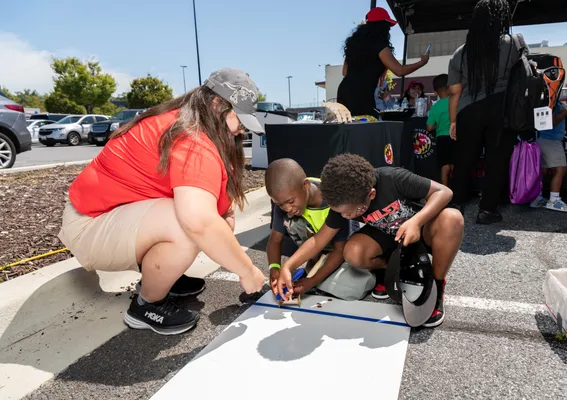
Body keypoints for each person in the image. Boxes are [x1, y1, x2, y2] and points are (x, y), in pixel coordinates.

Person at [57, 68, 266, 336]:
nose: (241, 131)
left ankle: (162, 275)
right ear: (216, 105)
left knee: (206, 227)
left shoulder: (193, 128)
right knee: (187, 225)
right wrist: (247, 271)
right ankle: (146, 305)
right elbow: (199, 222)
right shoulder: (192, 139)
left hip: (113, 217)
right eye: (239, 119)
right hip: (90, 224)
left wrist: (223, 227)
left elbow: (220, 210)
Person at [275, 154, 464, 328]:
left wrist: (416, 221)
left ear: (371, 195)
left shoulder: (393, 178)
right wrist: (288, 266)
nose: (346, 216)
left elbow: (444, 192)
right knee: (353, 251)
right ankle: (389, 271)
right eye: (340, 213)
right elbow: (318, 240)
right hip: (390, 238)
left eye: (350, 212)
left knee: (452, 219)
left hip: (421, 230)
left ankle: (436, 284)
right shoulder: (343, 201)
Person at [447, 0, 522, 224]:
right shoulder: (514, 43)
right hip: (502, 107)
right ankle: (487, 210)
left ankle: (455, 205)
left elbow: (455, 92)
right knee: (496, 160)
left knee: (464, 159)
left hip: (469, 108)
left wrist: (453, 122)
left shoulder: (461, 52)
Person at [265, 159, 375, 301]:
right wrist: (274, 268)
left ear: (305, 185)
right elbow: (275, 239)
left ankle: (321, 270)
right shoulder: (285, 196)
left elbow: (339, 251)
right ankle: (315, 263)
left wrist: (311, 282)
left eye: (291, 202)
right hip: (316, 248)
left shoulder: (333, 201)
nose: (287, 208)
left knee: (351, 289)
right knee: (292, 220)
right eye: (280, 204)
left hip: (342, 252)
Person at [337, 7, 429, 118]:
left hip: (344, 90)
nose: (389, 30)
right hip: (362, 94)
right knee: (365, 129)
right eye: (388, 26)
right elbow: (399, 71)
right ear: (381, 26)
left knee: (347, 129)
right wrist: (422, 62)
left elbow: (344, 72)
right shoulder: (380, 46)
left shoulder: (353, 45)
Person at [427, 74, 453, 187]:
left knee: (444, 166)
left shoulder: (434, 107)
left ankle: (445, 192)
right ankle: (457, 192)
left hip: (442, 138)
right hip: (456, 136)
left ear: (435, 92)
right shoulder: (456, 103)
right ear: (450, 87)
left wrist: (438, 124)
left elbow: (429, 127)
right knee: (456, 164)